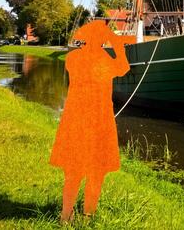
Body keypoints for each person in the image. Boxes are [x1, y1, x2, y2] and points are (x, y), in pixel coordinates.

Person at [50, 19, 130, 221]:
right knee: (96, 169)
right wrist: (117, 44)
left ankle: (65, 215)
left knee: (73, 168)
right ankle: (88, 215)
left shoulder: (72, 58)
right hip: (99, 118)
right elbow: (123, 68)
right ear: (102, 40)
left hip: (75, 116)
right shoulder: (105, 61)